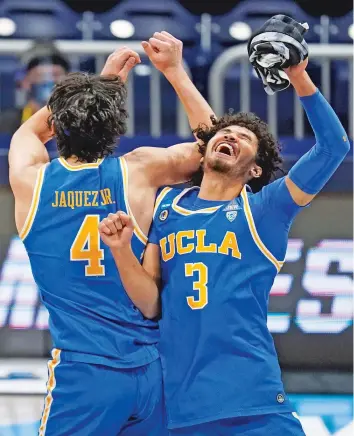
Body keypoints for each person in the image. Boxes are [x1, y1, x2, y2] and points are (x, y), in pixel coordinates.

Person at [99, 56, 350, 435]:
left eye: (243, 137)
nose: (230, 136)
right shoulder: (167, 206)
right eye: (224, 132)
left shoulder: (265, 210)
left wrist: (298, 76)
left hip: (251, 402)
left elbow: (333, 148)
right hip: (178, 405)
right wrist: (120, 250)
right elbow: (151, 303)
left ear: (254, 170)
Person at [9, 32, 215, 436]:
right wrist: (175, 72)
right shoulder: (138, 170)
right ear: (115, 127)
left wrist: (99, 87)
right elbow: (216, 146)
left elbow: (30, 133)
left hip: (86, 373)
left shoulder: (30, 181)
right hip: (154, 369)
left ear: (58, 120)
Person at [0, 40, 70, 135]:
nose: (48, 80)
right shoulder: (4, 124)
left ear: (69, 80)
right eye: (40, 75)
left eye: (55, 74)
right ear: (24, 82)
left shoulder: (81, 123)